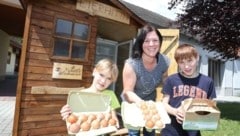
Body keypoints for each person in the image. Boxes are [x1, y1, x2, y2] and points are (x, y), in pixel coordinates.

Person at [121, 24, 170, 136]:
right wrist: (143, 105)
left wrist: (167, 98)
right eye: (147, 41)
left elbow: (166, 82)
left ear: (160, 42)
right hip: (132, 104)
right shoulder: (132, 64)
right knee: (134, 133)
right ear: (141, 43)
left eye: (155, 40)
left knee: (150, 131)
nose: (151, 44)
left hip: (150, 102)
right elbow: (128, 92)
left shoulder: (164, 61)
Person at [161, 44, 216, 136]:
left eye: (190, 61)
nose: (186, 66)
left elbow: (212, 105)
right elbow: (164, 104)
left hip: (194, 130)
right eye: (182, 62)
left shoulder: (207, 82)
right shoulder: (171, 80)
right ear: (177, 63)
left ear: (197, 58)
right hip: (171, 130)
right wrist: (175, 112)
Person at [60, 58, 121, 128]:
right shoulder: (79, 95)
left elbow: (113, 117)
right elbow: (72, 120)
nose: (103, 81)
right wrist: (67, 115)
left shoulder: (110, 95)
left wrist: (114, 122)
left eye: (109, 78)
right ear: (94, 71)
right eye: (101, 75)